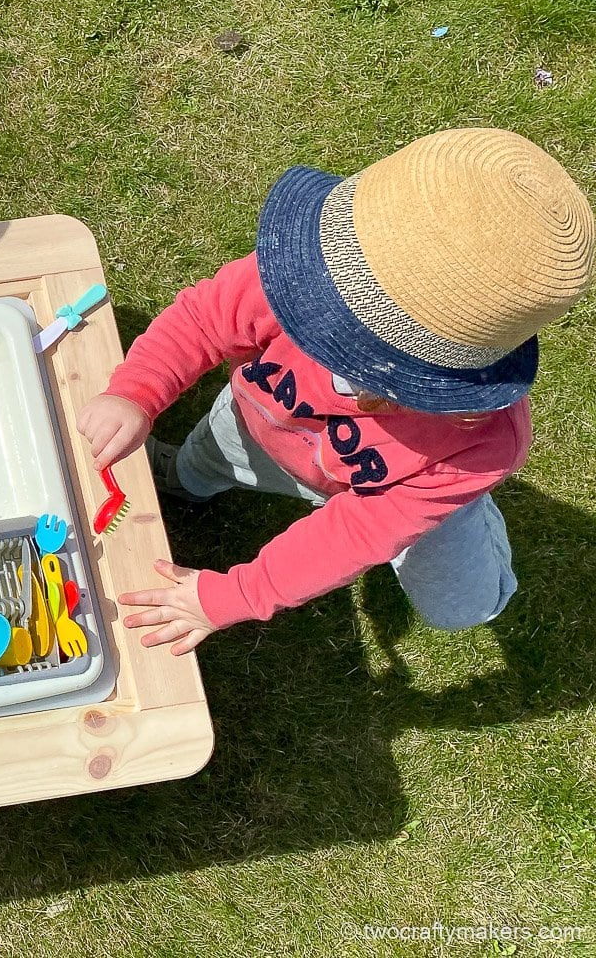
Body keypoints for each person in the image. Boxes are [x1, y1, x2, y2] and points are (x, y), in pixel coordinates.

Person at [77, 128, 594, 655]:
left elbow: (354, 534)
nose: (314, 330)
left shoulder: (478, 440)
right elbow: (203, 322)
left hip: (400, 486)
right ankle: (182, 481)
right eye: (319, 319)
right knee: (205, 461)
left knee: (459, 605)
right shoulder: (300, 274)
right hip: (262, 421)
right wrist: (134, 394)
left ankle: (463, 516)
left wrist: (236, 594)